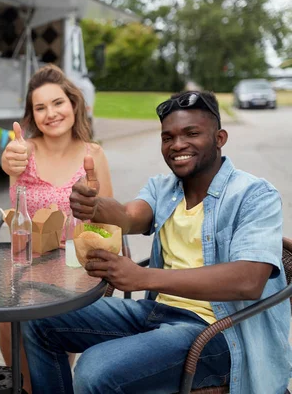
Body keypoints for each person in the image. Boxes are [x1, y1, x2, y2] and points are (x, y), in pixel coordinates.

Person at [23, 91, 291, 394]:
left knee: (95, 369)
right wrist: (94, 205)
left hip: (219, 333)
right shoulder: (164, 188)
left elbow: (249, 280)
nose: (178, 145)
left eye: (192, 133)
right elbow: (127, 215)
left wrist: (143, 277)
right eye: (168, 137)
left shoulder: (254, 195)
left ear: (219, 138)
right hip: (159, 314)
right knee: (39, 316)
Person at [0, 64, 114, 393]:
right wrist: (9, 161)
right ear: (31, 115)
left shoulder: (94, 154)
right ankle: (25, 387)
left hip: (77, 265)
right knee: (10, 316)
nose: (50, 113)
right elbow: (11, 163)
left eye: (57, 103)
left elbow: (108, 224)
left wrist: (94, 206)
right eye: (40, 107)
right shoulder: (23, 151)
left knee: (48, 318)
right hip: (29, 261)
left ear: (73, 104)